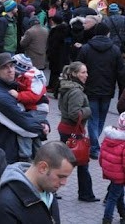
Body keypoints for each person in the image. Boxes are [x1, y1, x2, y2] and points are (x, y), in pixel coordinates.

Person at [0, 141, 75, 222]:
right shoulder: (5, 206)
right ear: (43, 168)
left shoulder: (49, 192)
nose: (64, 183)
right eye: (61, 176)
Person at [0, 53, 50, 163]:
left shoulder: (16, 86)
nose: (10, 70)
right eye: (4, 67)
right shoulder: (1, 97)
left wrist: (44, 122)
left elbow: (29, 110)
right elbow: (24, 121)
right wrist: (42, 128)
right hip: (7, 154)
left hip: (13, 151)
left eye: (11, 66)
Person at [77, 22, 125, 159]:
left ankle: (93, 146)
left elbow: (77, 66)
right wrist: (122, 91)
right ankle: (94, 146)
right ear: (108, 33)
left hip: (90, 89)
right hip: (108, 89)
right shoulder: (115, 50)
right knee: (101, 119)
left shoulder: (86, 48)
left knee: (93, 118)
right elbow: (121, 73)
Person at [57, 61, 98, 202]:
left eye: (86, 72)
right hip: (73, 132)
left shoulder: (67, 87)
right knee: (81, 162)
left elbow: (61, 107)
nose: (86, 75)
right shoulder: (76, 91)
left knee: (62, 160)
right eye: (83, 72)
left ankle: (84, 193)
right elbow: (75, 114)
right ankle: (86, 194)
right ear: (74, 74)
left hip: (65, 128)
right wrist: (89, 110)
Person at [10, 54, 50, 161]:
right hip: (36, 108)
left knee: (25, 129)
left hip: (37, 108)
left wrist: (18, 96)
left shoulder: (33, 77)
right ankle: (39, 157)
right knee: (34, 134)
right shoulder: (27, 76)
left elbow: (34, 94)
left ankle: (25, 156)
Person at [99, 112, 125, 223]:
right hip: (119, 175)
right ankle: (107, 219)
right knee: (113, 197)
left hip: (110, 171)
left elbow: (101, 155)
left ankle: (123, 215)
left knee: (118, 194)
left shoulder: (109, 136)